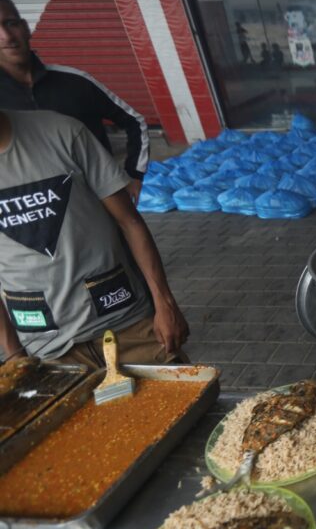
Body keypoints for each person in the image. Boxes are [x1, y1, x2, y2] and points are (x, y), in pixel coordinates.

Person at [0, 110, 188, 366]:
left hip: (127, 324)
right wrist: (13, 354)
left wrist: (164, 303)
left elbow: (130, 222)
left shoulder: (63, 132)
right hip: (47, 347)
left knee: (189, 389)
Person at [0, 0, 149, 202]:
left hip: (104, 202)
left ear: (25, 27)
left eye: (11, 23)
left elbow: (135, 122)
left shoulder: (76, 82)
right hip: (39, 212)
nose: (7, 36)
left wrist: (134, 175)